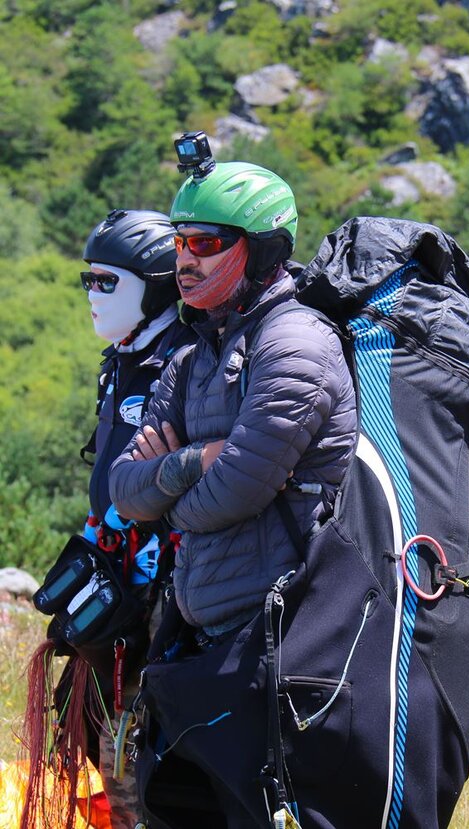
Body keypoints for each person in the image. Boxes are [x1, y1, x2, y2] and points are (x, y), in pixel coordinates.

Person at [107, 152, 357, 823]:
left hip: (284, 645)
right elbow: (124, 492)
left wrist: (170, 500)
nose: (184, 260)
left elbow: (239, 490)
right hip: (205, 640)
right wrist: (189, 463)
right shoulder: (190, 359)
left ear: (265, 249)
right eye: (179, 243)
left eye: (207, 244)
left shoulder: (297, 343)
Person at [22, 210, 195, 829]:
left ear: (153, 286)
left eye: (108, 282)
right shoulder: (122, 358)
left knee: (134, 733)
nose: (93, 295)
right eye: (87, 280)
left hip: (165, 585)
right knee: (94, 717)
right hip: (113, 566)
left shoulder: (189, 362)